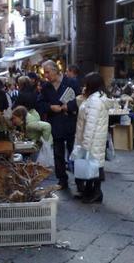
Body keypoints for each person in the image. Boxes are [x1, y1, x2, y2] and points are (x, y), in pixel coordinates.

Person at [38, 60, 80, 190]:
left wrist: (69, 106)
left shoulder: (71, 82)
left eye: (47, 72)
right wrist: (51, 107)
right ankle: (62, 179)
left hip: (71, 122)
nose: (46, 75)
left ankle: (80, 181)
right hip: (56, 123)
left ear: (55, 71)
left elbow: (80, 99)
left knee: (75, 152)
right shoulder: (46, 87)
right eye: (44, 73)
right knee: (58, 153)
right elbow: (40, 104)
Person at [73, 72, 112, 203]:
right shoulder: (95, 98)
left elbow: (91, 124)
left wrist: (86, 144)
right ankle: (90, 191)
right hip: (94, 138)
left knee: (93, 166)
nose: (84, 86)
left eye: (86, 84)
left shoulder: (95, 101)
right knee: (93, 166)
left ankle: (95, 192)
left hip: (92, 139)